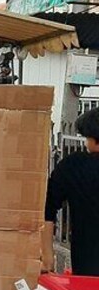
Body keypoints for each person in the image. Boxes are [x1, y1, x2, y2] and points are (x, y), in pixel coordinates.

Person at [45, 107, 99, 276]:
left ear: (93, 138)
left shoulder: (73, 166)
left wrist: (47, 254)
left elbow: (47, 210)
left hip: (87, 266)